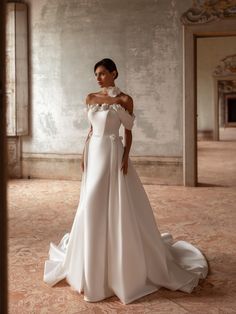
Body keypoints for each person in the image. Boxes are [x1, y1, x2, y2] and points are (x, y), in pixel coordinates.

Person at [43, 58, 208, 305]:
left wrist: (125, 157)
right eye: (96, 74)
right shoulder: (90, 97)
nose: (98, 78)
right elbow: (89, 131)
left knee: (113, 202)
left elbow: (128, 132)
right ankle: (90, 262)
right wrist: (83, 154)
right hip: (94, 151)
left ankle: (117, 264)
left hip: (112, 151)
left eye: (102, 73)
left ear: (114, 73)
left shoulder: (125, 100)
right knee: (90, 203)